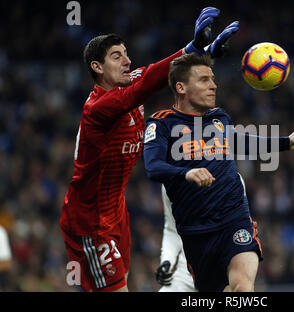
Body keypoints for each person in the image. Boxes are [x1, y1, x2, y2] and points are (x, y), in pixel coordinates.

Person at [59, 7, 238, 292]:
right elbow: (145, 87)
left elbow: (160, 72)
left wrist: (204, 55)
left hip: (117, 210)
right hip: (90, 220)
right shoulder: (99, 108)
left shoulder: (130, 84)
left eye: (127, 54)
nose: (127, 61)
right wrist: (192, 48)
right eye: (117, 57)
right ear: (97, 67)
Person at [143, 52, 294, 292]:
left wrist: (287, 141)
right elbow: (153, 167)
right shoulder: (161, 123)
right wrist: (186, 173)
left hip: (233, 219)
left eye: (213, 79)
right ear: (181, 87)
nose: (213, 85)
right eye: (204, 80)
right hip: (196, 233)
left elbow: (241, 141)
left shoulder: (218, 117)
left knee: (242, 289)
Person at [156, 173, 247, 292]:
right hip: (186, 276)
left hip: (222, 273)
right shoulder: (170, 183)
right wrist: (167, 260)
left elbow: (240, 226)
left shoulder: (231, 177)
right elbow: (172, 230)